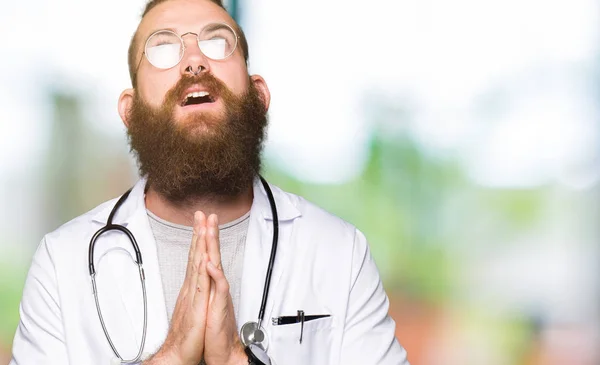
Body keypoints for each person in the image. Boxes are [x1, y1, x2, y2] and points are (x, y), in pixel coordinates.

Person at [9, 0, 410, 364]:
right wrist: (171, 356)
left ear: (259, 95)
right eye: (163, 48)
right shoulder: (61, 263)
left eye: (218, 42)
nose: (195, 61)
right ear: (130, 112)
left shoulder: (340, 252)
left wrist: (236, 359)